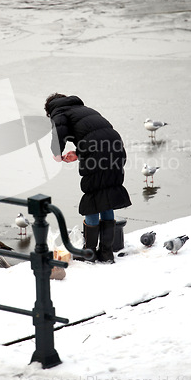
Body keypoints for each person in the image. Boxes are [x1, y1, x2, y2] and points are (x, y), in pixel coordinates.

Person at [44, 93, 131, 263]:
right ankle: (106, 253)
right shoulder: (83, 109)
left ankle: (89, 252)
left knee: (92, 199)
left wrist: (56, 154)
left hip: (97, 154)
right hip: (116, 149)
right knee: (105, 195)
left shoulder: (58, 111)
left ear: (50, 109)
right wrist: (78, 153)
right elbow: (98, 136)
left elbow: (59, 132)